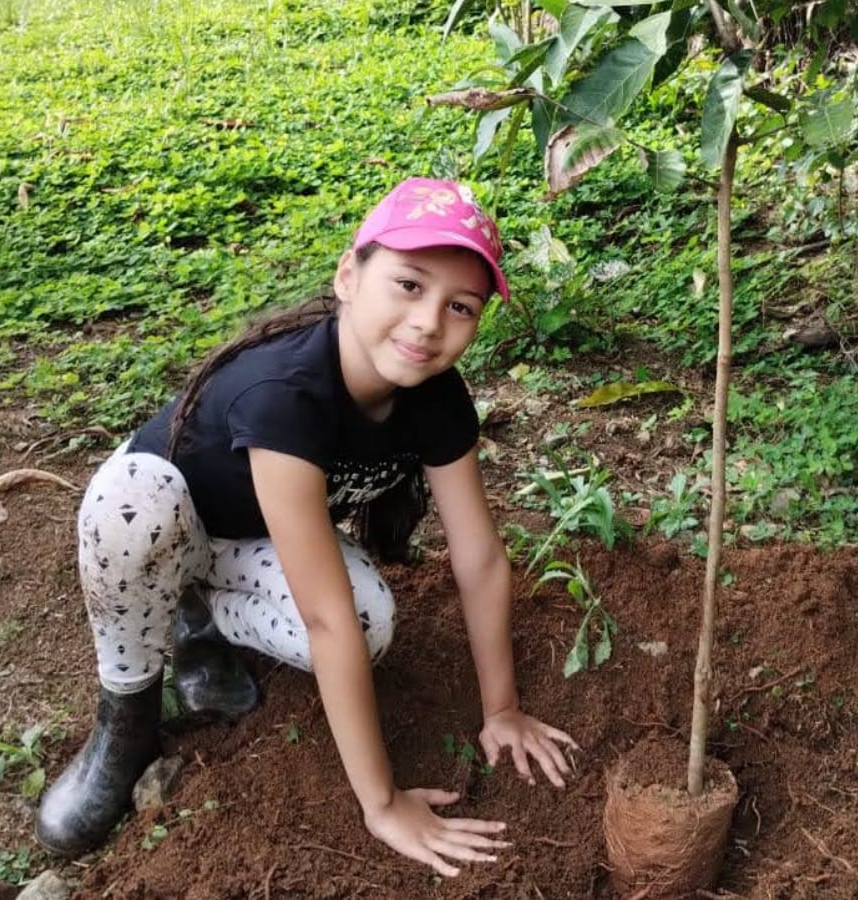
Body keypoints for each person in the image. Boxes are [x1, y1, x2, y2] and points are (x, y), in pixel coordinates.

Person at [35, 177, 578, 877]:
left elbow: (479, 559)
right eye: (409, 285)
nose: (428, 322)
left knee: (368, 622)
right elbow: (323, 623)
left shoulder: (434, 398)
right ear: (349, 275)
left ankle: (197, 618)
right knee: (136, 507)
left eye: (460, 306)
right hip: (157, 521)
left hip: (252, 542)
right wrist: (381, 804)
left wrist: (500, 710)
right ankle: (127, 715)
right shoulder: (286, 394)